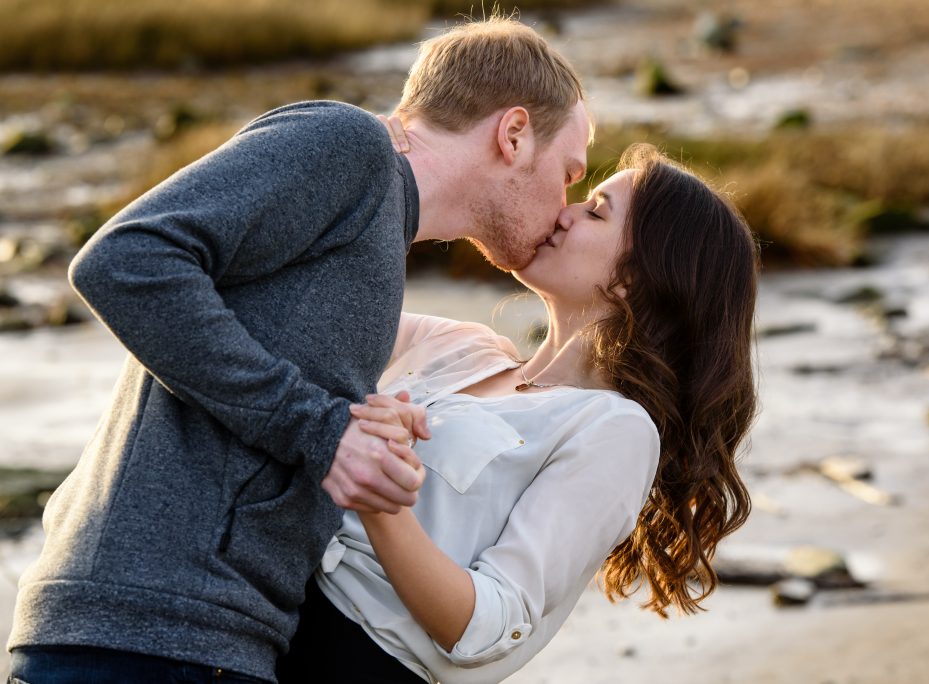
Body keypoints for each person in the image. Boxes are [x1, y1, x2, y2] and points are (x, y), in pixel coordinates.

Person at [7, 18, 591, 684]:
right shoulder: (350, 146)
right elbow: (123, 259)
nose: (566, 204)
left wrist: (363, 431)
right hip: (143, 633)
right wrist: (323, 430)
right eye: (568, 173)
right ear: (514, 134)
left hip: (210, 642)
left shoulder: (379, 236)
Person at [276, 143, 760, 683]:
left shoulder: (614, 428)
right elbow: (300, 311)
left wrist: (380, 496)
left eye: (594, 211)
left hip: (349, 660)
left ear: (635, 279)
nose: (564, 211)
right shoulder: (457, 345)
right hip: (254, 608)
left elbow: (486, 628)